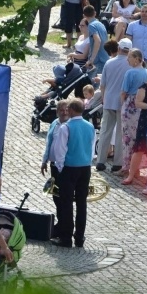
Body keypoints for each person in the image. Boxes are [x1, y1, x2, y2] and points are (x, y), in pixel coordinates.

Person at [51, 99, 95, 248]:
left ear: (70, 110)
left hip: (70, 168)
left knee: (66, 203)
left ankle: (66, 237)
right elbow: (91, 147)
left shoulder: (66, 127)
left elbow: (60, 150)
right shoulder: (90, 126)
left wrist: (60, 168)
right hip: (85, 168)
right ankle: (80, 237)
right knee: (82, 203)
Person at [95, 39, 132, 173]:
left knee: (105, 131)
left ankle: (100, 161)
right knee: (120, 133)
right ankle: (117, 162)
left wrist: (104, 98)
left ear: (119, 48)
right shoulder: (130, 65)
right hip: (123, 102)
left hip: (109, 100)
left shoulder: (109, 62)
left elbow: (103, 84)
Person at [120, 49, 147, 174]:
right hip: (142, 106)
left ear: (137, 58)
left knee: (127, 137)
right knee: (138, 136)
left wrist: (123, 105)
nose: (127, 59)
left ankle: (126, 166)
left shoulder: (130, 73)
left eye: (130, 57)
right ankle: (136, 166)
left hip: (131, 104)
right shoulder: (146, 72)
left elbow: (123, 92)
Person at [41, 100, 70, 225]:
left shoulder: (70, 126)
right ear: (57, 112)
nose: (64, 113)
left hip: (64, 166)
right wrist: (44, 161)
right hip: (53, 164)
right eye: (62, 110)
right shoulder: (54, 123)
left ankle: (64, 223)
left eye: (66, 110)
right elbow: (49, 142)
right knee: (55, 195)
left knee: (63, 197)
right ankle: (60, 221)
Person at [83, 5, 110, 74]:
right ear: (95, 13)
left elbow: (97, 41)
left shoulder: (91, 26)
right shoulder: (101, 24)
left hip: (98, 60)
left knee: (94, 83)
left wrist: (91, 59)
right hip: (105, 56)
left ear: (84, 16)